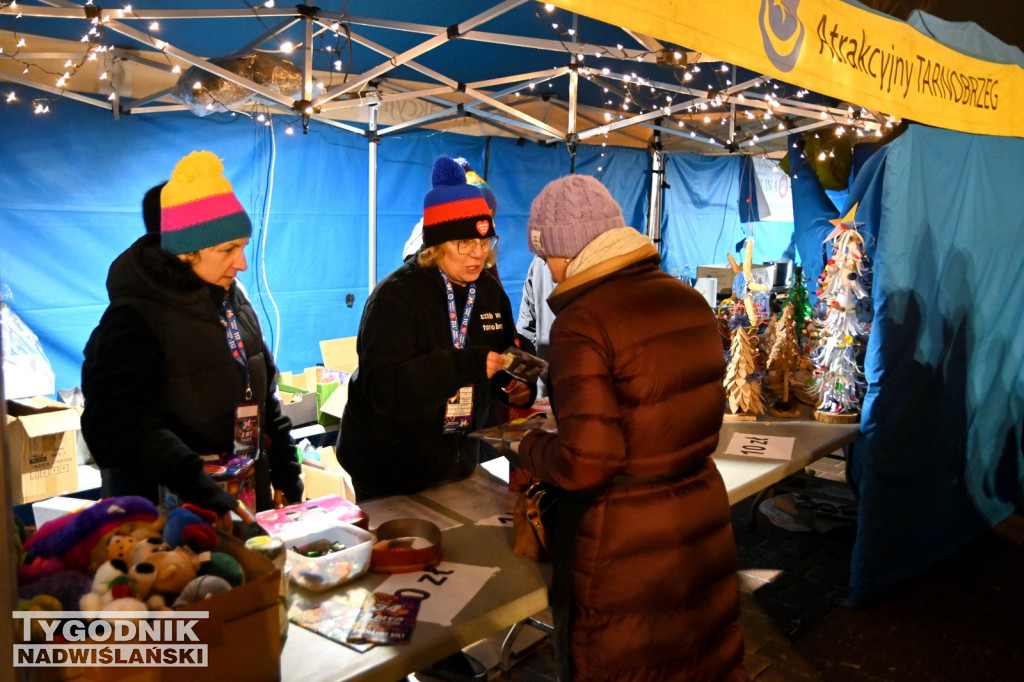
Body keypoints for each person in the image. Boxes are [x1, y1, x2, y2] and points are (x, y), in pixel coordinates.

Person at [509, 175, 746, 681]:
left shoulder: (582, 322)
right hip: (699, 515)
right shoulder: (688, 302)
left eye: (547, 254)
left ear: (569, 253)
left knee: (623, 662)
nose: (547, 268)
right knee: (700, 659)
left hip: (622, 541)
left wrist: (529, 448)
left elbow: (588, 462)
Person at [81, 150, 303, 530]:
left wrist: (285, 467)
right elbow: (115, 422)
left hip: (243, 500)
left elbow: (265, 393)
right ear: (186, 252)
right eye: (227, 250)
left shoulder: (232, 298)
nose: (242, 263)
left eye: (243, 247)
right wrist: (193, 480)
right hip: (169, 520)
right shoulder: (134, 316)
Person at [338, 155, 535, 501]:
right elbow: (384, 388)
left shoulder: (489, 292)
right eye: (465, 244)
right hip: (388, 467)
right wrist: (465, 365)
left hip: (457, 460)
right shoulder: (396, 297)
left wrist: (513, 385)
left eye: (485, 242)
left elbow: (502, 353)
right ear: (438, 244)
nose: (478, 254)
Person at [516, 254, 556, 397]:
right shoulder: (540, 260)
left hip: (547, 383)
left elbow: (525, 326)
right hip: (550, 383)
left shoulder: (540, 259)